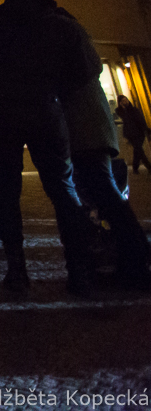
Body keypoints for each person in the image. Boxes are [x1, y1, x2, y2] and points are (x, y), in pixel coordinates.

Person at [0, 0, 100, 295]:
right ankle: (78, 269)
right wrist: (54, 91)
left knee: (7, 192)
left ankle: (16, 270)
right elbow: (85, 71)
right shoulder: (58, 24)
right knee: (62, 189)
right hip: (45, 109)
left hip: (1, 115)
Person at [63, 55, 151, 290]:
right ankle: (135, 259)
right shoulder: (72, 37)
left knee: (105, 195)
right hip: (92, 130)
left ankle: (135, 263)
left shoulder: (57, 37)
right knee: (105, 195)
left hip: (85, 133)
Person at [118, 95, 149, 175]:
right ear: (120, 102)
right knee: (139, 150)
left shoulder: (134, 110)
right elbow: (125, 118)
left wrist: (145, 129)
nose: (126, 102)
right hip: (131, 134)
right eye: (123, 101)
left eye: (126, 100)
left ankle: (135, 167)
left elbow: (140, 120)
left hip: (139, 133)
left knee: (137, 150)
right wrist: (124, 109)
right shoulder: (120, 111)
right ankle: (149, 167)